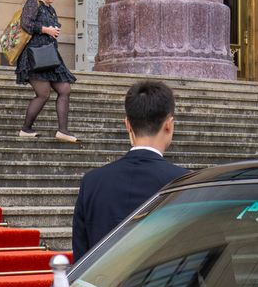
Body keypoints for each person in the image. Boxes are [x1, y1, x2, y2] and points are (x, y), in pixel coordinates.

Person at [71, 80, 186, 257]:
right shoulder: (184, 183)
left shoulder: (92, 182)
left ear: (127, 124)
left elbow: (80, 256)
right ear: (169, 124)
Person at [15, 0, 77, 143]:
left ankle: (62, 131)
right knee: (43, 94)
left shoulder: (51, 9)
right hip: (34, 56)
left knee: (64, 89)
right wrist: (46, 30)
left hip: (49, 56)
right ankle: (26, 128)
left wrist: (53, 30)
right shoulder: (32, 3)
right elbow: (26, 23)